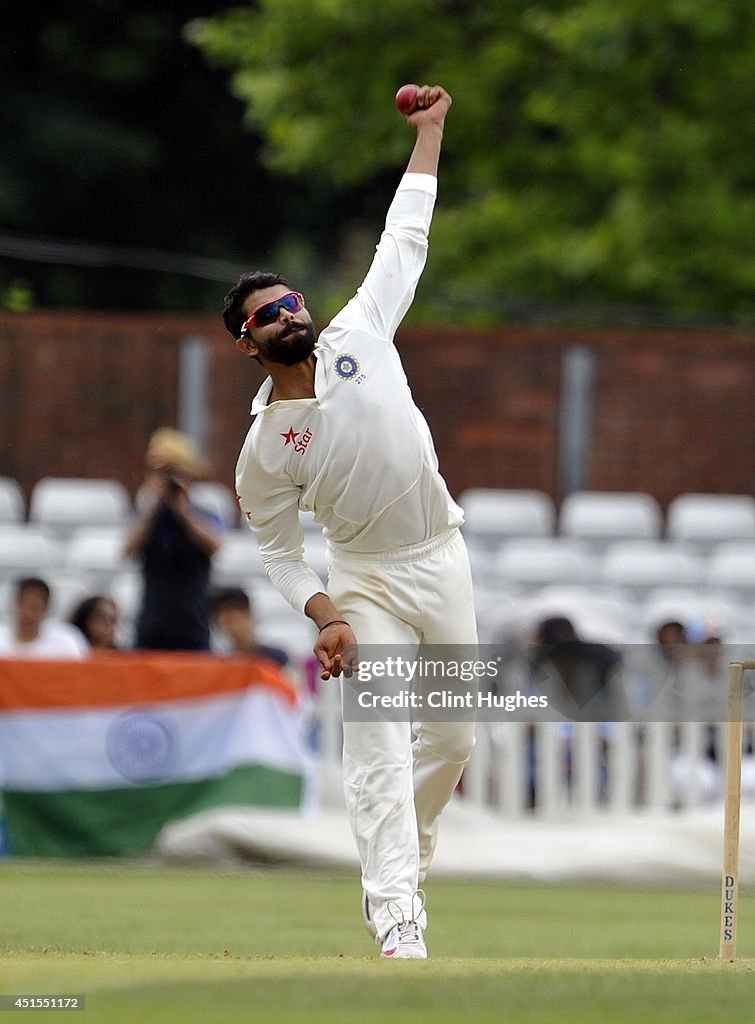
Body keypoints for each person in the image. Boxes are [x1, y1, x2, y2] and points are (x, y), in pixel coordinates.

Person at [225, 85, 476, 960]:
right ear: (247, 345)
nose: (288, 312)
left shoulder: (361, 331)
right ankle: (396, 912)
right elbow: (280, 554)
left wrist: (430, 134)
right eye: (266, 315)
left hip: (441, 557)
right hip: (365, 579)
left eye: (290, 300)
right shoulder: (265, 447)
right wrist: (326, 615)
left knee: (450, 737)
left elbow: (403, 237)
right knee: (375, 741)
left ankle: (406, 856)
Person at [124, 428, 222, 651]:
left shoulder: (202, 512)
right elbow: (127, 549)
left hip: (193, 626)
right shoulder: (147, 514)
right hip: (151, 626)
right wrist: (154, 503)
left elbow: (216, 545)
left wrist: (183, 511)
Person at [0, 577, 89, 658]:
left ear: (46, 608)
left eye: (34, 607)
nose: (28, 613)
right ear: (15, 604)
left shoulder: (65, 643)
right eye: (24, 605)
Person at [210, 585, 290, 667]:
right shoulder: (217, 660)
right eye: (223, 615)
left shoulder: (274, 657)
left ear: (249, 614)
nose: (229, 622)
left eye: (233, 616)